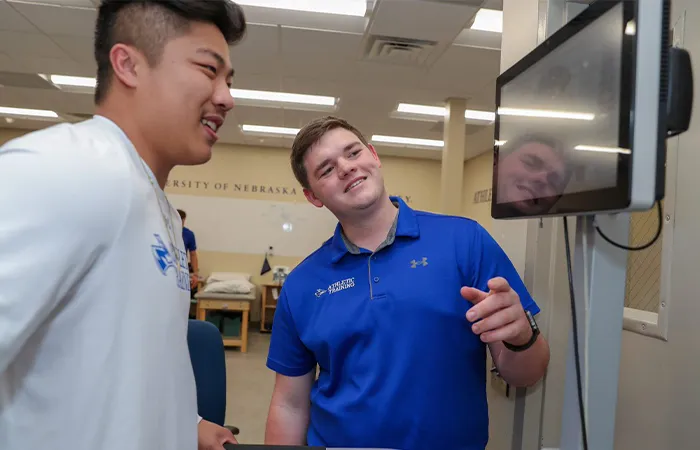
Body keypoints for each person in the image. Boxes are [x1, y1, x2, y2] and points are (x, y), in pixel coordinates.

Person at [0, 1, 246, 450]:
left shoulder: (158, 207)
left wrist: (183, 422)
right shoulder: (67, 169)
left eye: (229, 80)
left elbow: (132, 357)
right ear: (129, 65)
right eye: (209, 70)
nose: (227, 97)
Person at [264, 116, 551, 450]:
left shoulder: (465, 242)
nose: (346, 168)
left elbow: (526, 374)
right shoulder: (302, 284)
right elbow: (289, 404)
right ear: (313, 196)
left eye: (353, 153)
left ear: (373, 155)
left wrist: (521, 336)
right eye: (326, 169)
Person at [178, 208, 201, 291]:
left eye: (182, 220)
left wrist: (195, 274)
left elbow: (193, 254)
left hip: (182, 268)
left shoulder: (188, 234)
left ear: (184, 220)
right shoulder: (166, 231)